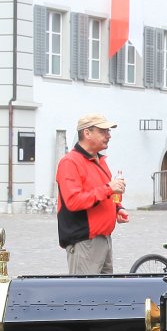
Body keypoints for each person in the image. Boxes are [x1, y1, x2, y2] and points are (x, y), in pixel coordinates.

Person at [57, 113, 128, 273]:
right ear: (87, 133)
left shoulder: (99, 161)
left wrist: (117, 208)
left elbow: (104, 193)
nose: (108, 135)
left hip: (104, 239)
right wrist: (109, 188)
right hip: (84, 241)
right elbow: (74, 201)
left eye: (108, 131)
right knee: (85, 289)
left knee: (104, 289)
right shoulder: (70, 162)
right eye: (103, 131)